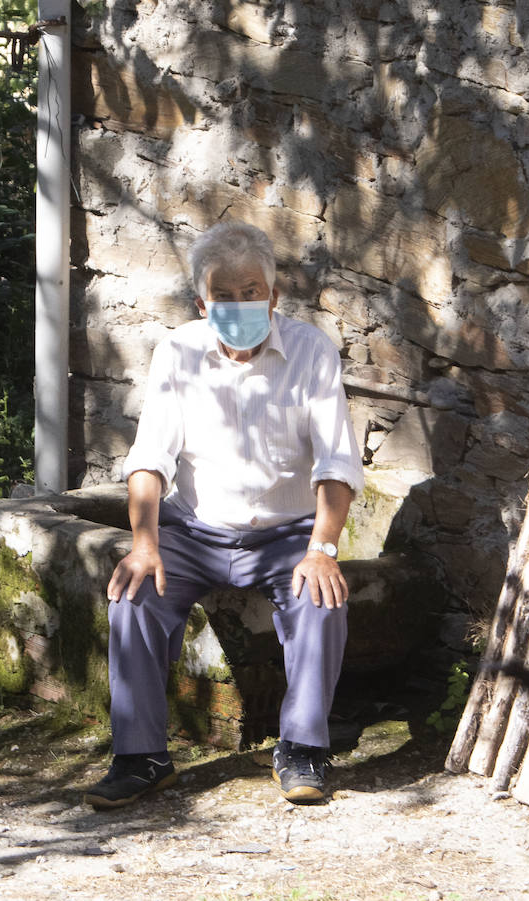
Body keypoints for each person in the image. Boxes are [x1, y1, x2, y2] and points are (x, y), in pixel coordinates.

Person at [83, 221, 365, 810]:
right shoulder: (179, 351)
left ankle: (302, 749)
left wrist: (323, 547)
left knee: (322, 597)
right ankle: (141, 757)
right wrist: (144, 542)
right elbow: (150, 458)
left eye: (251, 291)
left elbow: (338, 461)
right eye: (224, 294)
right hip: (193, 529)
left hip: (286, 534)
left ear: (273, 295)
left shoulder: (310, 350)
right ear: (201, 300)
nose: (239, 304)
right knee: (133, 593)